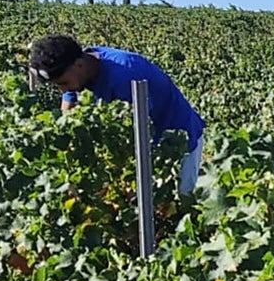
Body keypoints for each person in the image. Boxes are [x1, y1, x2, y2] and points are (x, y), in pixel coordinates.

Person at [29, 35, 206, 194]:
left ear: (79, 65)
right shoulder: (80, 66)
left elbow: (139, 133)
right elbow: (68, 108)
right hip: (147, 146)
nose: (64, 89)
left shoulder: (125, 75)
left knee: (175, 207)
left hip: (179, 143)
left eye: (64, 83)